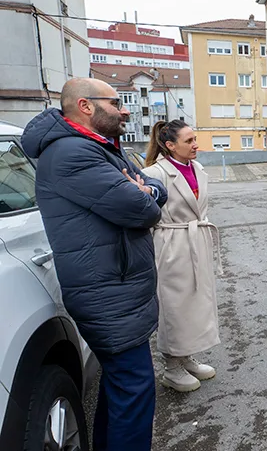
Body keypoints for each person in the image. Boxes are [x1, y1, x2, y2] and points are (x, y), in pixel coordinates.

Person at [20, 77, 167, 451]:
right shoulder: (73, 154)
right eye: (117, 103)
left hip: (115, 290)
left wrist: (142, 188)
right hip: (108, 293)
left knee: (121, 388)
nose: (125, 110)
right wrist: (142, 192)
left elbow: (150, 187)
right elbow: (142, 209)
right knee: (134, 391)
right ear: (86, 106)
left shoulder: (98, 147)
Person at [141, 120, 221, 392]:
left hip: (196, 240)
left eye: (195, 139)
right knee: (174, 305)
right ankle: (171, 366)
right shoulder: (154, 172)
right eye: (189, 141)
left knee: (195, 302)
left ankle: (185, 356)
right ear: (169, 145)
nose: (195, 145)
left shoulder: (196, 168)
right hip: (172, 244)